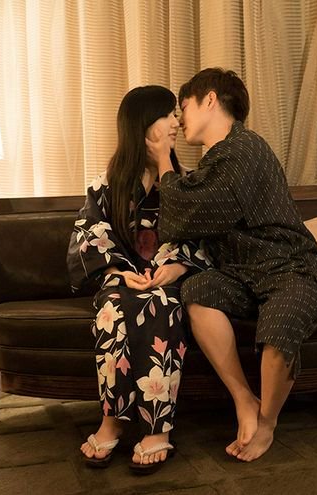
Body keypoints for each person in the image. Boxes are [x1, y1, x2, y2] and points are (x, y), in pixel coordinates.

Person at [146, 68, 317, 462]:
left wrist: (164, 159)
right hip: (242, 276)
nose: (179, 120)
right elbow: (195, 206)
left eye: (184, 107)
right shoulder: (214, 163)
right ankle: (243, 399)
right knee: (198, 290)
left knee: (280, 325)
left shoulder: (244, 148)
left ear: (209, 99)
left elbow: (190, 209)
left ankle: (267, 423)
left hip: (289, 267)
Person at [68, 85, 212, 474]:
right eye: (166, 115)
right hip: (122, 280)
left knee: (159, 304)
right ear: (141, 124)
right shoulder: (106, 184)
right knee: (112, 310)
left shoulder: (185, 181)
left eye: (175, 114)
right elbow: (89, 236)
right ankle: (112, 419)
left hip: (169, 281)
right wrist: (118, 273)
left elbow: (202, 235)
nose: (176, 122)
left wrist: (178, 267)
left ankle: (156, 427)